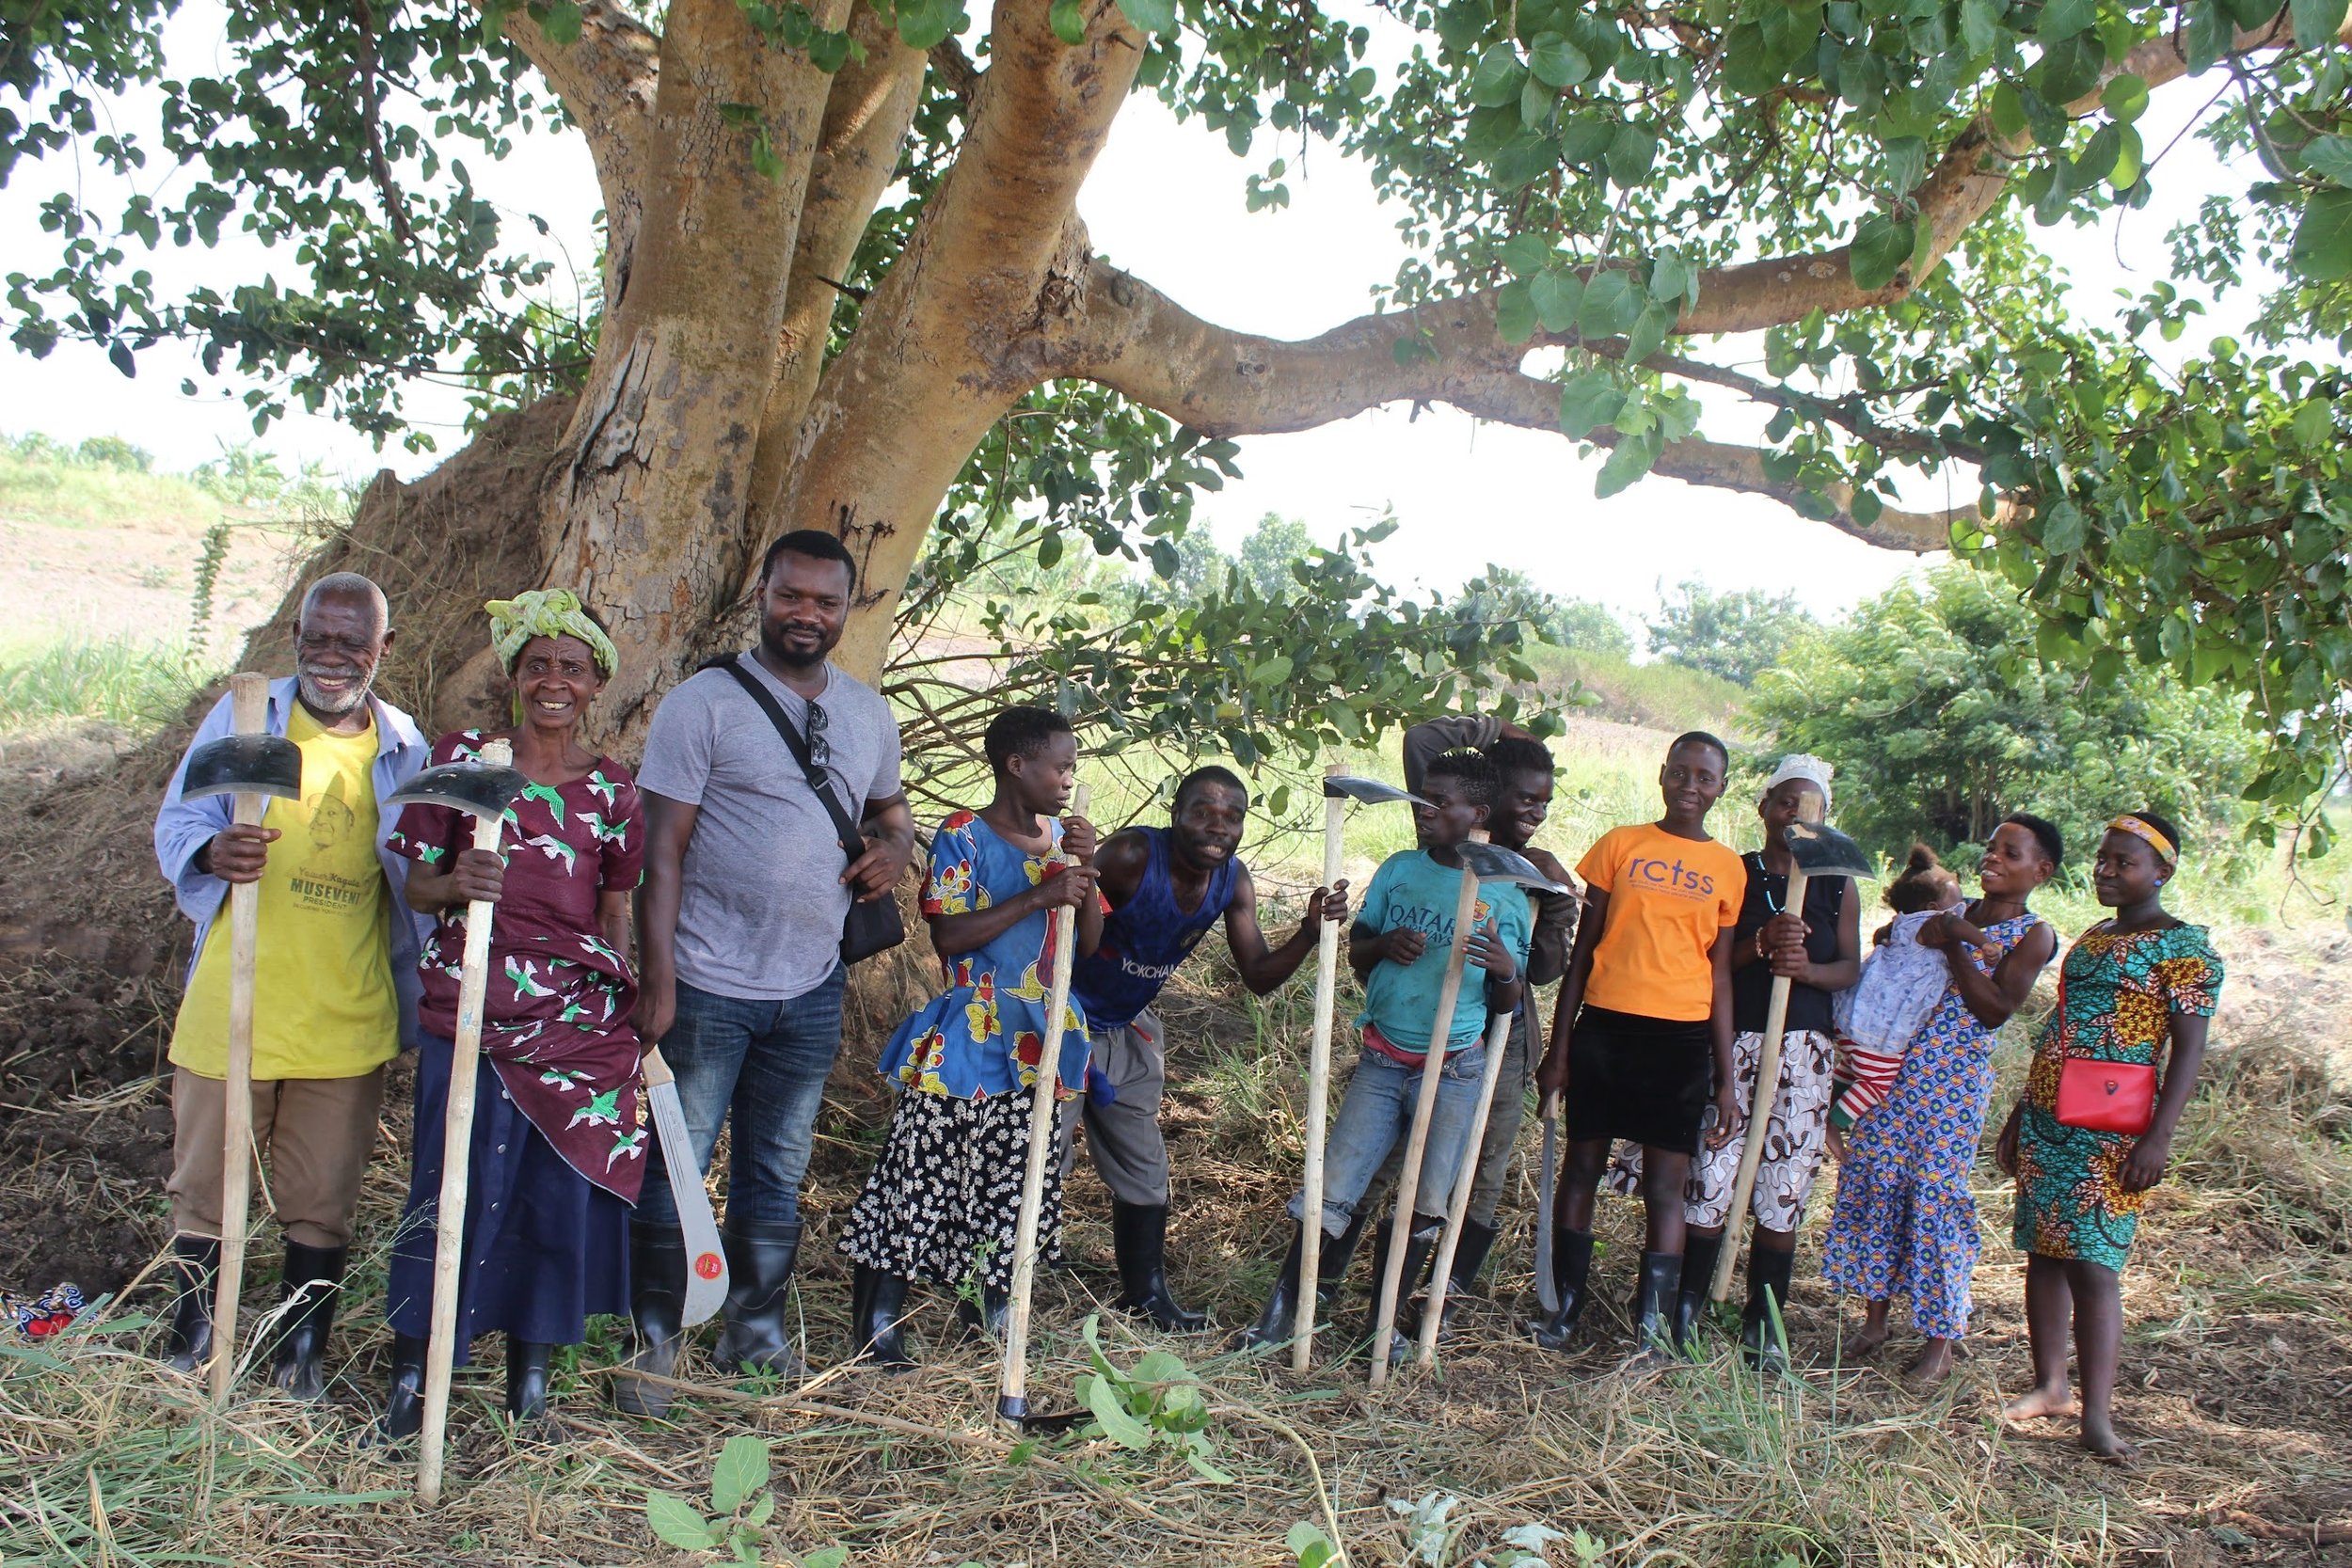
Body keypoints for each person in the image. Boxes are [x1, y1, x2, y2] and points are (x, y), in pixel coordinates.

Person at [624, 531, 915, 1413]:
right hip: (708, 981)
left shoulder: (867, 713)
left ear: (847, 609)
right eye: (793, 596)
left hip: (812, 983)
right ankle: (655, 1341)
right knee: (680, 1163)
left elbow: (892, 809)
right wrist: (660, 978)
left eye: (826, 602)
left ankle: (754, 1331)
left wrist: (896, 848)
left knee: (777, 1168)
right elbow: (659, 853)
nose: (808, 615)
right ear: (763, 592)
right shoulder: (703, 703)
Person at [151, 573, 433, 1397]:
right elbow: (179, 821)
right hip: (233, 1007)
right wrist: (211, 856)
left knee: (320, 1198)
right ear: (297, 635)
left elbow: (420, 875)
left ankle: (296, 1360)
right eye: (318, 636)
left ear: (385, 649)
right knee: (205, 1188)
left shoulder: (405, 748)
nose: (332, 656)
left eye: (353, 642)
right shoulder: (247, 716)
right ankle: (193, 1343)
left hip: (344, 1016)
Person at [376, 591, 647, 1434]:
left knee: (548, 1195)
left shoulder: (612, 791)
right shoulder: (467, 762)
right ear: (514, 674)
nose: (554, 682)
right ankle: (416, 1383)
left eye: (572, 667)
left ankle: (527, 1386)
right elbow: (418, 878)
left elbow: (613, 914)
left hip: (575, 1028)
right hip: (473, 1016)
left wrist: (624, 1014)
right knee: (450, 1185)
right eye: (538, 665)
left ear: (597, 682)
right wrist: (457, 882)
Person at [1239, 749, 1531, 1360]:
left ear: (1478, 812)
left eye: (1439, 801)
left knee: (1426, 1200)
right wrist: (1381, 945)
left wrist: (1506, 970)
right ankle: (1284, 1312)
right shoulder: (1399, 870)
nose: (1423, 811)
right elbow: (1357, 952)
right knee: (1334, 1182)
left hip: (1453, 1069)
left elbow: (1507, 997)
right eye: (1421, 798)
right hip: (1382, 1058)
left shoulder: (1503, 896)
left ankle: (1383, 1324)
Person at [839, 706, 1104, 1367]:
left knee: (1015, 1179)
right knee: (921, 1170)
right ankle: (876, 1319)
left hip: (1040, 1035)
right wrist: (1039, 896)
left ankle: (987, 1304)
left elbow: (1089, 946)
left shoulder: (1061, 840)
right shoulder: (965, 833)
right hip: (974, 1027)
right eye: (1059, 764)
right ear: (1017, 765)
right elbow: (950, 935)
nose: (1069, 777)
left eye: (1072, 765)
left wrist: (1086, 871)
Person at [1060, 765, 1348, 1331]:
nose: (1217, 828)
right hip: (1061, 1021)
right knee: (1037, 1158)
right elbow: (1064, 934)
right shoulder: (1130, 856)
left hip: (1126, 1027)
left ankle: (1145, 1296)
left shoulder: (1232, 880)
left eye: (1232, 818)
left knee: (1145, 1167)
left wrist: (1310, 932)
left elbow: (1260, 976)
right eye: (1202, 813)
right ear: (1175, 815)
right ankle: (999, 1286)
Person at [1610, 755, 1861, 1367]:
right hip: (1731, 1041)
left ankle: (1762, 1321)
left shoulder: (1835, 882)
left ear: (1825, 817)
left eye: (1810, 808)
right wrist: (1759, 944)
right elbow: (1710, 962)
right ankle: (1687, 1307)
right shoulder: (1734, 872)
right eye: (1784, 802)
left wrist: (1806, 969)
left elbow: (1849, 967)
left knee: (1783, 1189)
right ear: (1763, 807)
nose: (1795, 815)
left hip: (1803, 1054)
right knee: (1709, 1179)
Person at [1332, 721, 1576, 1322]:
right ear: (1490, 800)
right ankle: (1332, 1271)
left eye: (1543, 802)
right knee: (1386, 1152)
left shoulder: (1533, 869)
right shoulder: (1431, 840)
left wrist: (1551, 902)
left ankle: (1439, 1290)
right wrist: (1491, 727)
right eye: (1525, 799)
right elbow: (1420, 742)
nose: (1534, 813)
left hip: (1495, 1030)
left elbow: (1540, 972)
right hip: (1409, 1029)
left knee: (1477, 1160)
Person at [1997, 811, 2221, 1458]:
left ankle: (2098, 1414)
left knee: (2094, 1264)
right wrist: (2020, 1113)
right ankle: (2050, 1386)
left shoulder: (2185, 949)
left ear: (2162, 871)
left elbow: (2188, 1049)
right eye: (2103, 859)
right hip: (2050, 1118)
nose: (2108, 870)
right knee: (2044, 1249)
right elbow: (2059, 1031)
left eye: (2125, 862)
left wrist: (2159, 1136)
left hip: (2114, 1129)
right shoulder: (2093, 938)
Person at [1819, 814, 2061, 1385]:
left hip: (1951, 1089)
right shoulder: (1952, 910)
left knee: (1935, 1203)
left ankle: (1939, 1340)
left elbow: (1994, 1008)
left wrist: (1954, 945)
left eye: (2012, 853)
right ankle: (1875, 1319)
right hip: (1895, 1072)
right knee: (1876, 1184)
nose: (1993, 858)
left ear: (2041, 871)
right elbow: (1896, 949)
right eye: (1993, 848)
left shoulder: (2034, 934)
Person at [1531, 732, 1743, 1356]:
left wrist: (1727, 1077)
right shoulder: (1621, 845)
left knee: (1665, 1187)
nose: (1690, 786)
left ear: (1721, 788)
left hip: (1679, 1042)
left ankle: (1650, 1328)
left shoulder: (1727, 867)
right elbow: (1583, 953)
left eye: (1705, 777)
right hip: (1605, 1030)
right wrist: (1559, 1048)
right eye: (1680, 772)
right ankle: (1564, 1308)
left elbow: (1722, 973)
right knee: (1583, 1168)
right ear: (1662, 774)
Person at [1828, 845, 1966, 1142]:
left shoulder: (1901, 925)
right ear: (1932, 907)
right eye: (1957, 902)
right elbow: (1955, 926)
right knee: (1878, 1081)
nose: (1962, 908)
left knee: (1852, 1067)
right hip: (1879, 1032)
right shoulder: (1936, 926)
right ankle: (1834, 1123)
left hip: (1850, 1020)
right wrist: (1986, 945)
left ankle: (1824, 1108)